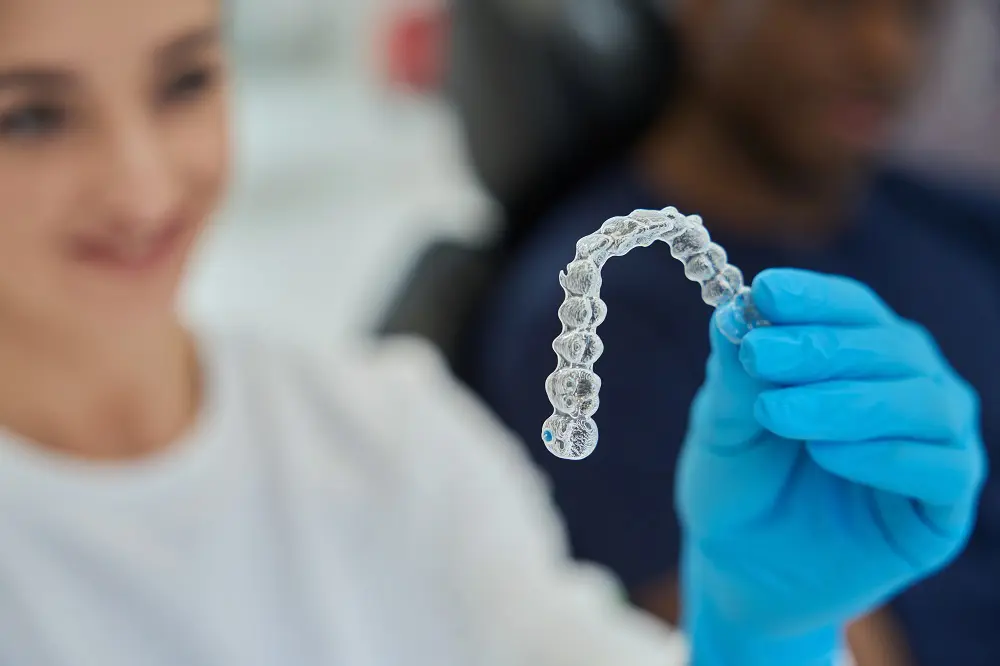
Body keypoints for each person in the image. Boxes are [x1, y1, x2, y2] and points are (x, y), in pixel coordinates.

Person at [0, 1, 985, 665]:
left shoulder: (385, 440)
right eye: (32, 118)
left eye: (183, 84)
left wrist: (767, 632)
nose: (139, 186)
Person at [457, 0, 1000, 664]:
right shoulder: (602, 326)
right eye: (833, 10)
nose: (883, 52)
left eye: (917, 14)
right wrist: (779, 630)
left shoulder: (957, 225)